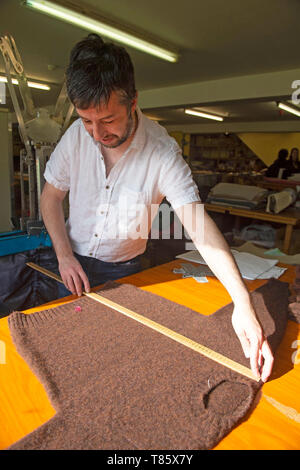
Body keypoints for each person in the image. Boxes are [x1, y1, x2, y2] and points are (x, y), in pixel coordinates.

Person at [40, 33, 273, 382]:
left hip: (123, 272)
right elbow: (51, 198)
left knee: (115, 361)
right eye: (87, 121)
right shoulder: (76, 135)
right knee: (66, 356)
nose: (96, 133)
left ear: (133, 101)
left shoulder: (162, 152)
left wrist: (243, 305)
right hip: (68, 264)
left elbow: (199, 227)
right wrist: (63, 255)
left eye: (107, 120)